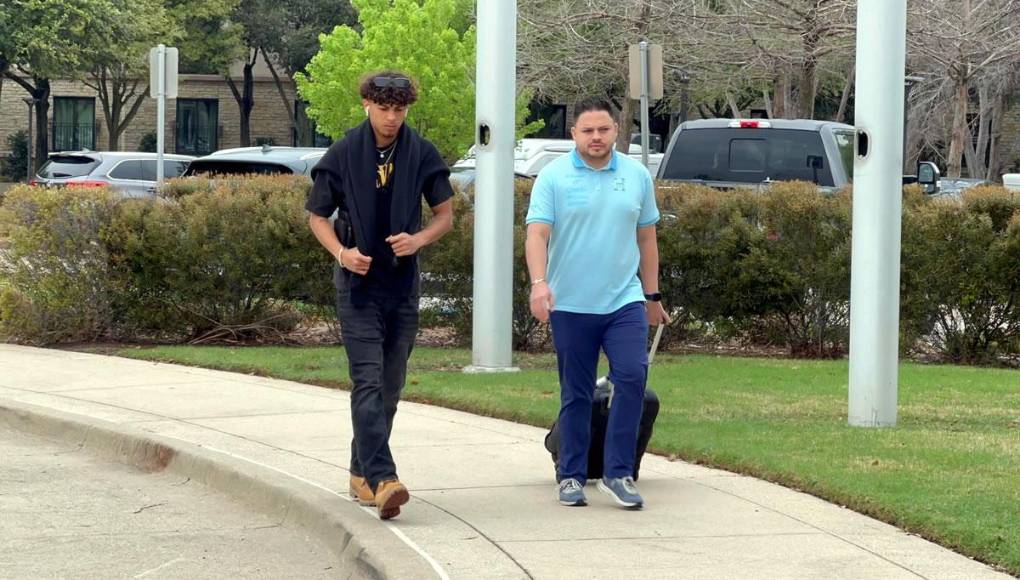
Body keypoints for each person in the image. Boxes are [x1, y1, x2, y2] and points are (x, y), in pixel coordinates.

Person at [306, 71, 454, 520]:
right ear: (366, 104)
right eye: (383, 107)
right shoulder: (345, 152)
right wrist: (342, 253)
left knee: (390, 385)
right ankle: (384, 478)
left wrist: (419, 239)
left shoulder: (422, 153)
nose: (391, 117)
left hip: (402, 287)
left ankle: (359, 472)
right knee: (367, 380)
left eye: (399, 109)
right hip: (358, 288)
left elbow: (444, 215)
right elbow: (317, 216)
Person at [525, 98, 669, 509]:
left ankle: (618, 472)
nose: (595, 138)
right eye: (587, 131)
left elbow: (647, 239)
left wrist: (651, 295)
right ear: (573, 134)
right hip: (570, 303)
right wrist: (540, 284)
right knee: (576, 391)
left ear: (616, 131)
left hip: (623, 301)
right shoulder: (553, 177)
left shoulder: (636, 176)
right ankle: (570, 474)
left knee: (631, 378)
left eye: (603, 130)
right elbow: (537, 235)